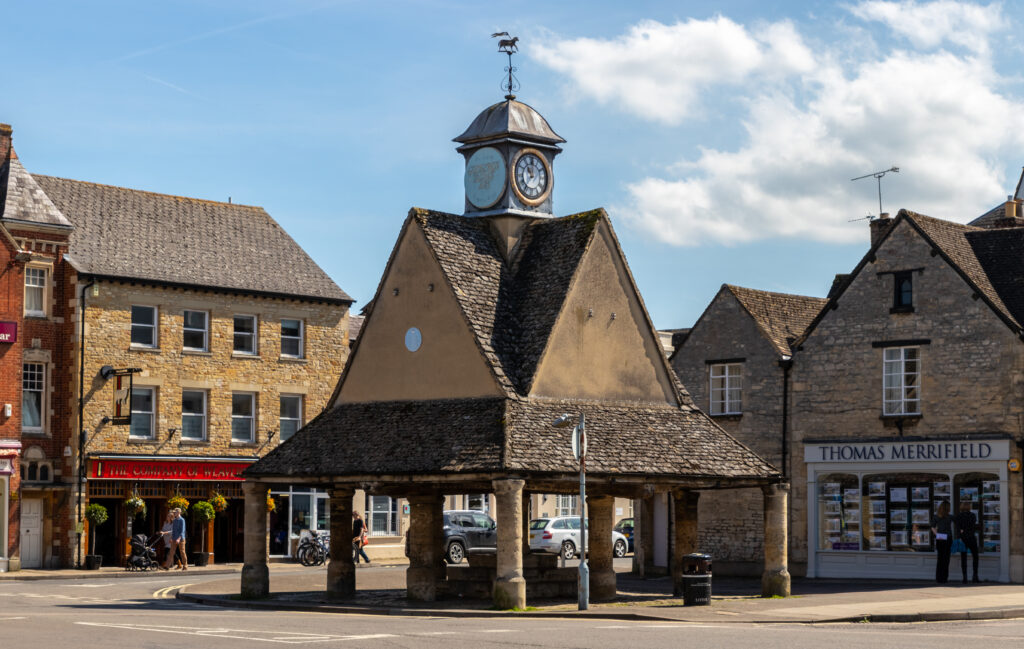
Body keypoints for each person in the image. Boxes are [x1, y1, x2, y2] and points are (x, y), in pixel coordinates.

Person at [954, 501, 980, 583]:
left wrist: (962, 531)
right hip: (971, 537)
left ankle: (964, 577)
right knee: (975, 556)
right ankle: (975, 576)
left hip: (963, 538)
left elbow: (958, 528)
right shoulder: (972, 515)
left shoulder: (959, 516)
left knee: (963, 558)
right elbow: (973, 526)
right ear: (969, 507)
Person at [932, 501, 953, 583]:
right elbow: (959, 523)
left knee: (940, 558)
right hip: (948, 537)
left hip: (940, 538)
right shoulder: (950, 517)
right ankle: (944, 578)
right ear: (948, 508)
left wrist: (937, 535)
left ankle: (939, 578)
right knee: (946, 558)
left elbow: (932, 527)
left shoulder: (936, 516)